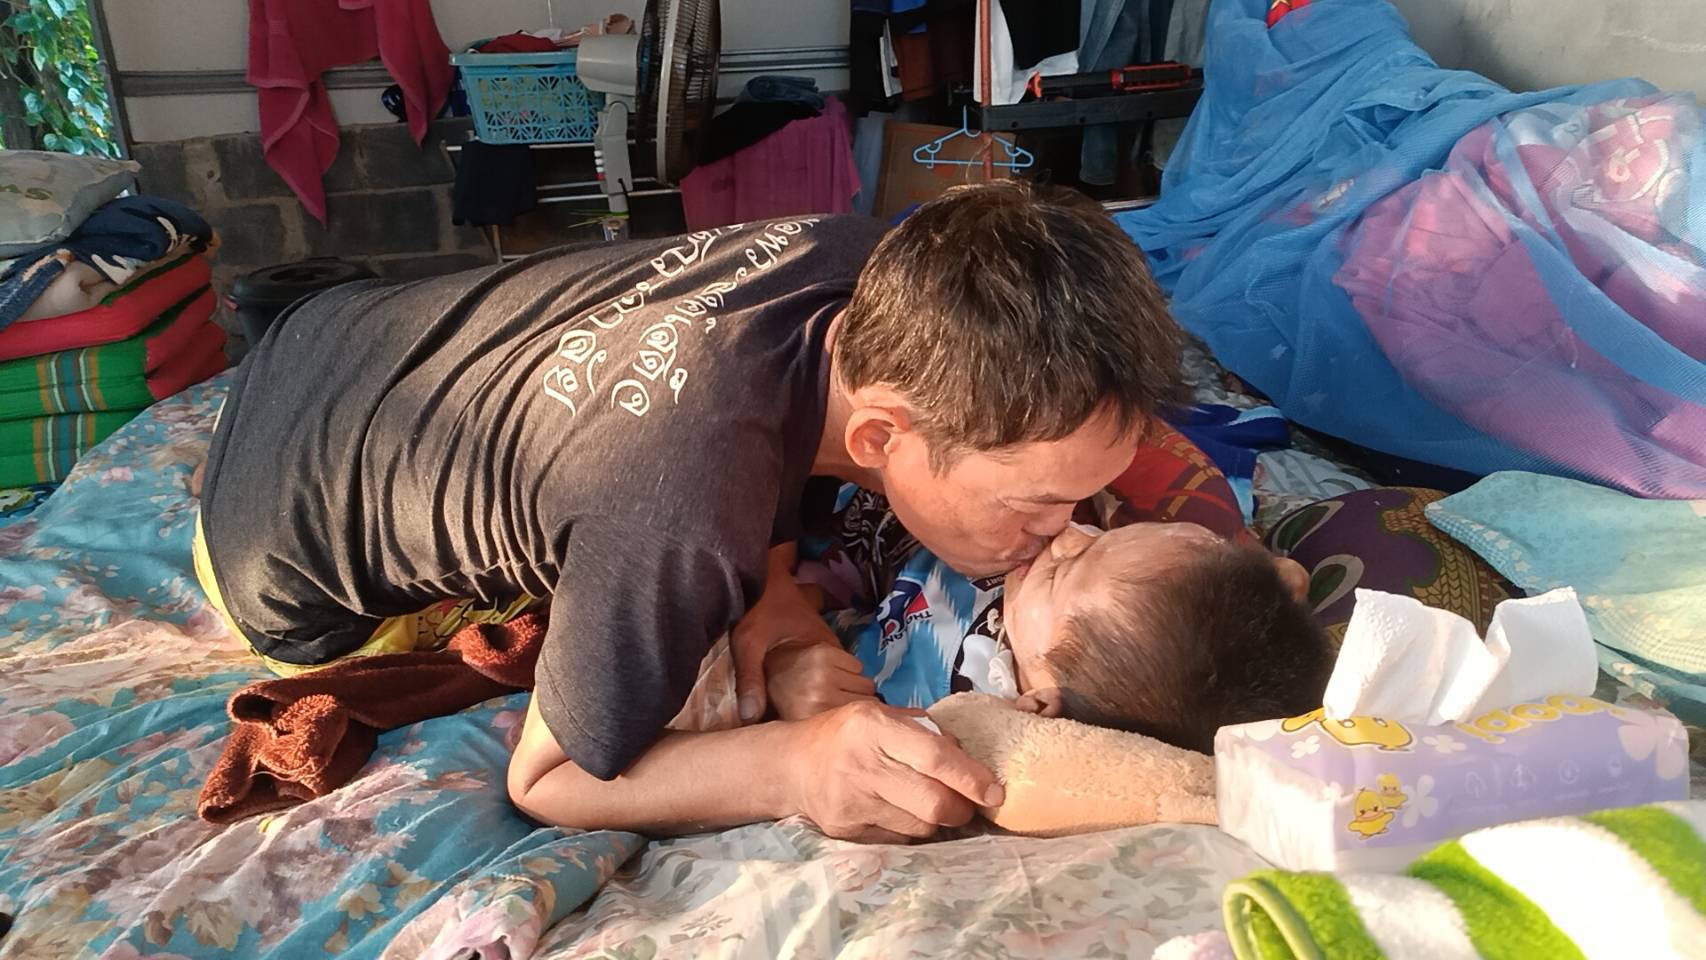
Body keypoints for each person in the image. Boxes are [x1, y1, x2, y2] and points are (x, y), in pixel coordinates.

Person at [193, 180, 1185, 842]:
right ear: (881, 438)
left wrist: (777, 597)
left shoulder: (871, 262)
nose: (1066, 529)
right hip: (270, 554)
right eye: (1037, 506)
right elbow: (548, 780)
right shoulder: (680, 513)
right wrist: (797, 767)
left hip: (327, 336)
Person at [771, 496, 1332, 754]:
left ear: (1041, 704)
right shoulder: (1077, 599)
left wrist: (788, 661)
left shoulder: (932, 709)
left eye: (1065, 568)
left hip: (807, 544)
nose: (1068, 532)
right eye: (1104, 537)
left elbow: (822, 694)